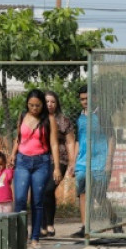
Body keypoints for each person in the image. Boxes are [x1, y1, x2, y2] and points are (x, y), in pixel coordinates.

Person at [12, 89, 61, 249]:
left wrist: (57, 168)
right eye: (31, 105)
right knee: (19, 199)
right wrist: (13, 154)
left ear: (43, 105)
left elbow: (54, 143)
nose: (34, 108)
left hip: (41, 161)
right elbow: (18, 138)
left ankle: (35, 237)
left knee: (37, 200)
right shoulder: (22, 116)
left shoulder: (49, 119)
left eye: (38, 105)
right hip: (22, 161)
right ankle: (20, 236)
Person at [71, 84, 116, 238]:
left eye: (88, 98)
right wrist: (73, 162)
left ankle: (114, 219)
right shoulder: (79, 116)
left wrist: (109, 161)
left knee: (99, 195)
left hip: (100, 161)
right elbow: (78, 140)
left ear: (95, 98)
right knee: (82, 193)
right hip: (83, 162)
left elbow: (111, 137)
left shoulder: (102, 114)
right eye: (82, 99)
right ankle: (85, 227)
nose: (85, 101)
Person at [42, 90, 76, 237]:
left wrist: (72, 162)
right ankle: (43, 226)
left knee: (48, 189)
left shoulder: (64, 121)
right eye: (47, 101)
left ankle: (49, 223)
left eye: (53, 101)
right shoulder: (37, 119)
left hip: (59, 160)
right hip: (40, 158)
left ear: (57, 104)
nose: (49, 104)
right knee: (41, 191)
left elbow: (70, 142)